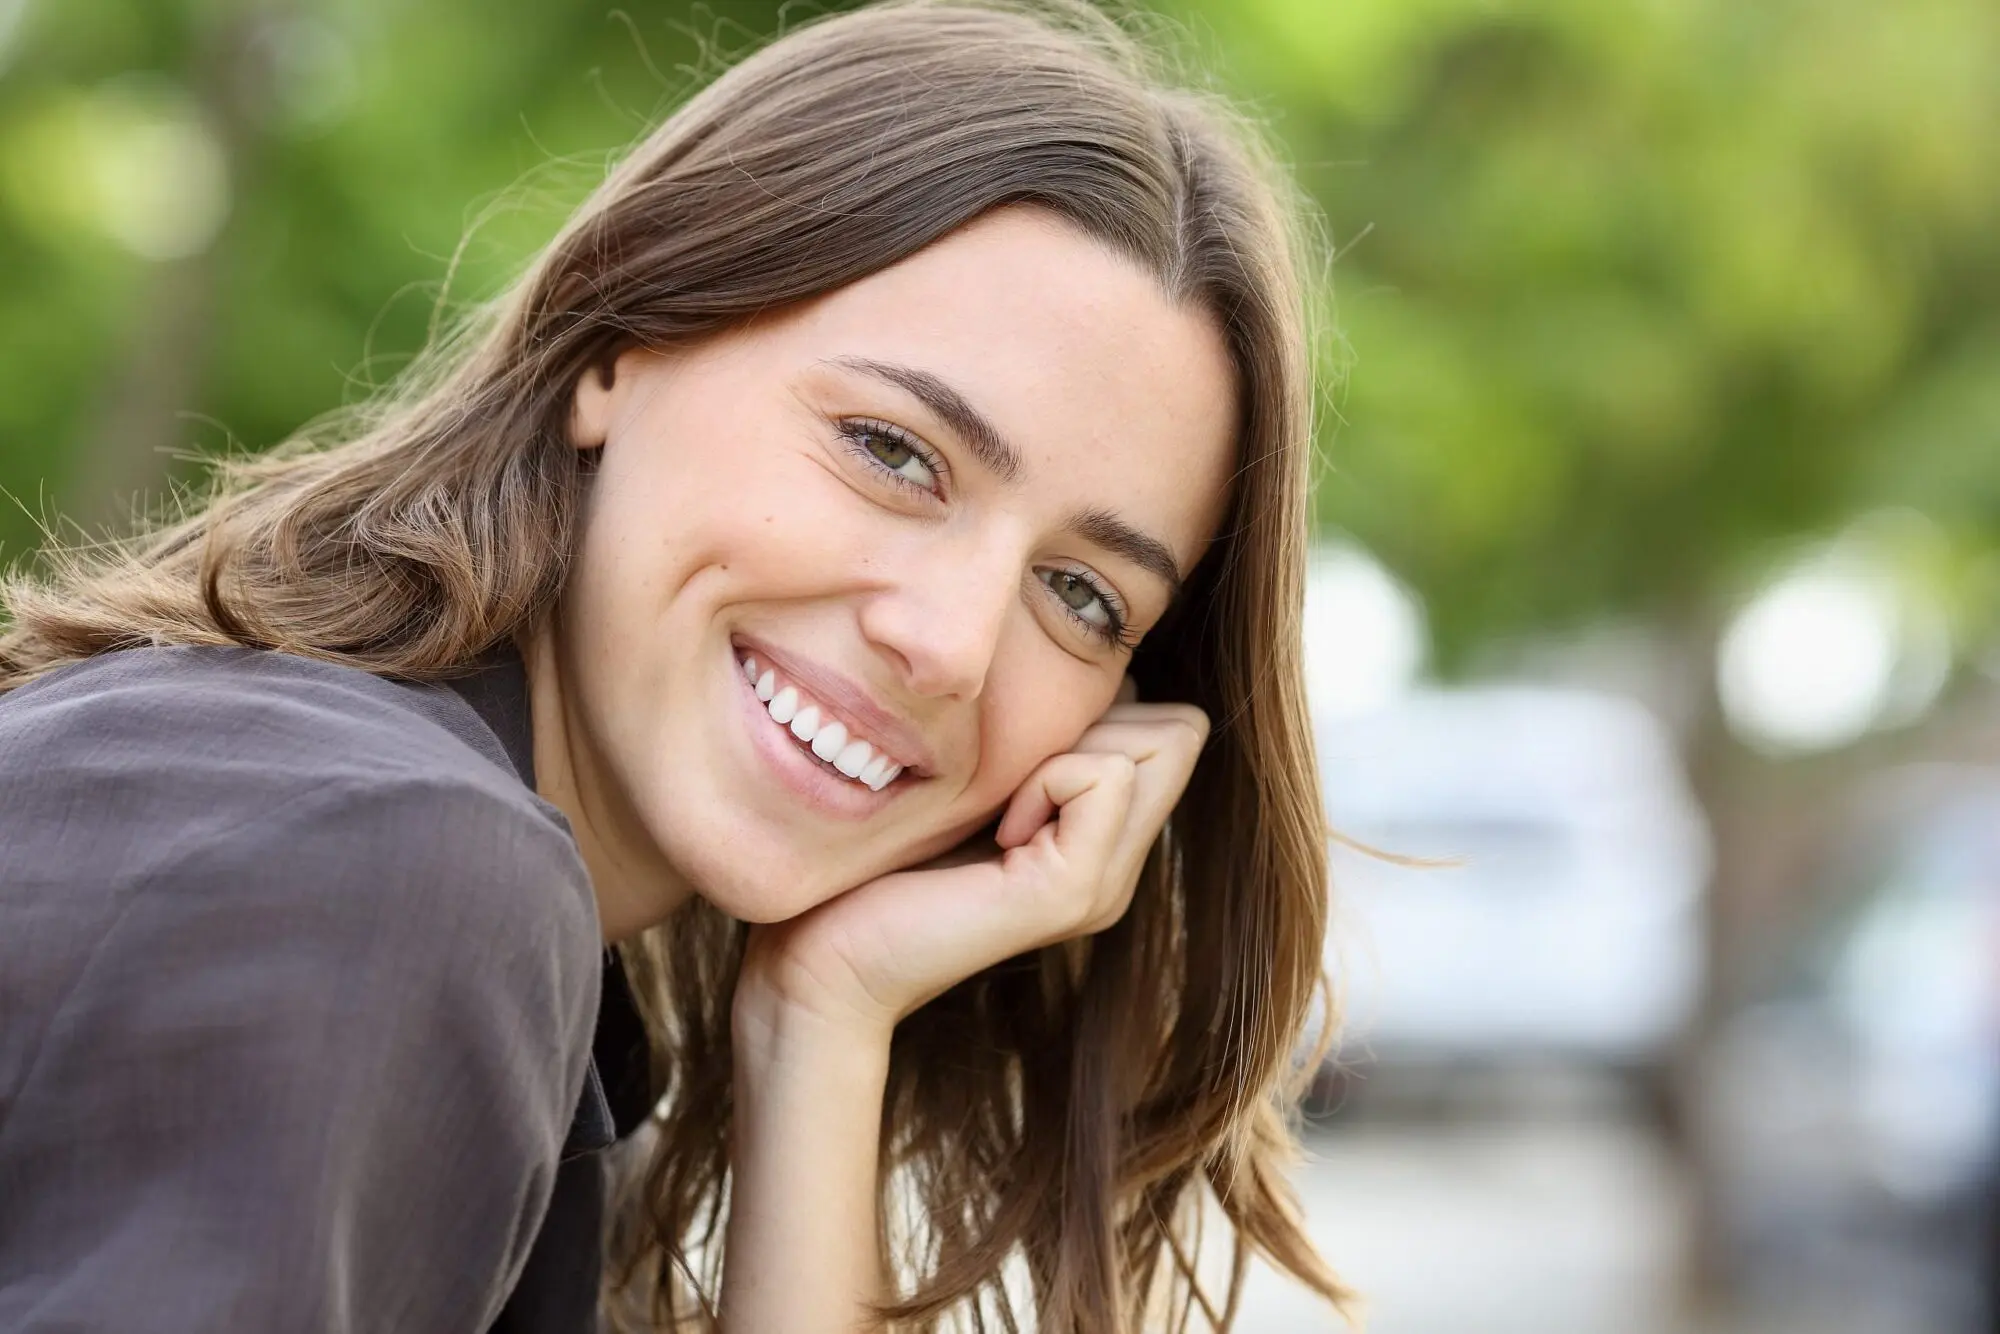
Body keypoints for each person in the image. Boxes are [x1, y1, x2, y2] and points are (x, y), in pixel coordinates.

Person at [0, 1, 1347, 1329]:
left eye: (1079, 594)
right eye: (893, 451)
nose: (946, 643)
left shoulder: (445, 888)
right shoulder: (393, 863)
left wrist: (821, 1020)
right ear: (619, 336)